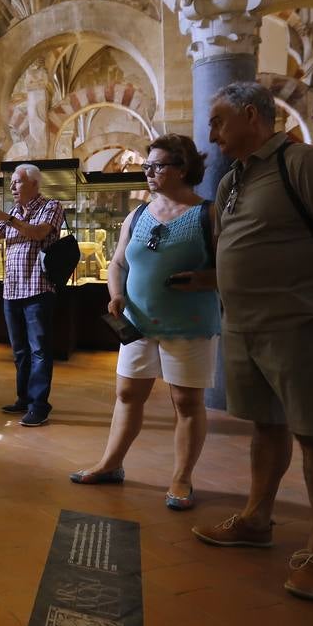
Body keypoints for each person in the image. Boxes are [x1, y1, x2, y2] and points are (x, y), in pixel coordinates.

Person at [191, 82, 313, 602]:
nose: (211, 131)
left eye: (219, 120)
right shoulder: (231, 182)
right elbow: (229, 247)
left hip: (296, 323)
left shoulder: (302, 162)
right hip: (243, 326)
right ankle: (256, 519)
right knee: (267, 427)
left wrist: (307, 293)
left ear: (251, 116)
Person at [69, 135, 220, 511]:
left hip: (189, 322)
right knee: (127, 395)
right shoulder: (138, 214)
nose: (149, 173)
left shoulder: (207, 214)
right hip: (136, 323)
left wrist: (204, 280)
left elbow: (235, 267)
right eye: (147, 167)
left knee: (185, 401)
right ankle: (111, 463)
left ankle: (181, 478)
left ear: (182, 168)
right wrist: (116, 293)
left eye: (157, 166)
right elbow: (118, 261)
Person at [0, 164, 65, 427]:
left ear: (33, 183)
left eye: (17, 182)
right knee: (20, 351)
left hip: (38, 289)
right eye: (11, 183)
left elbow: (39, 233)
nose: (12, 187)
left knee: (40, 351)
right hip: (12, 291)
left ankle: (39, 406)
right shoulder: (12, 212)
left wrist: (6, 218)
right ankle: (24, 399)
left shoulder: (51, 206)